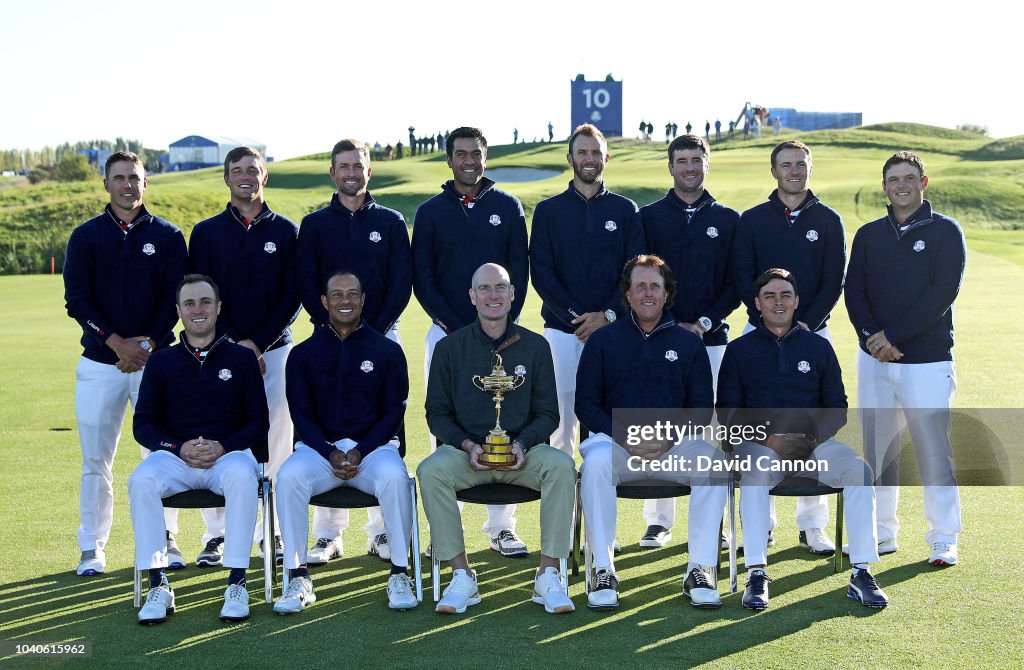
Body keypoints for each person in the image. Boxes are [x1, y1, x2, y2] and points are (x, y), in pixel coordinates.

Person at [718, 268, 889, 610]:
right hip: (760, 447)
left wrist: (809, 438)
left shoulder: (818, 348)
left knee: (859, 470)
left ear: (797, 302)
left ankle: (862, 571)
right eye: (769, 296)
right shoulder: (738, 350)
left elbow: (836, 407)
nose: (778, 302)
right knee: (753, 475)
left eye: (785, 296)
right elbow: (727, 412)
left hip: (814, 445)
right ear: (757, 303)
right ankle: (756, 572)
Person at [417, 263, 575, 615]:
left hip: (523, 455)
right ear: (472, 296)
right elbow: (436, 414)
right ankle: (461, 575)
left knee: (562, 465)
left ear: (512, 294)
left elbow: (548, 413)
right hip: (467, 456)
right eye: (485, 289)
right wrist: (468, 446)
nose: (493, 295)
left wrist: (522, 444)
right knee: (430, 471)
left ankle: (548, 574)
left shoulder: (535, 346)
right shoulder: (449, 348)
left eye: (500, 287)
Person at [576, 255, 728, 610]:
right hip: (617, 446)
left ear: (666, 293)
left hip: (671, 448)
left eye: (655, 286)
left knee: (714, 464)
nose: (648, 293)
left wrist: (668, 437)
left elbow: (703, 407)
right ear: (627, 294)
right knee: (595, 463)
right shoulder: (603, 341)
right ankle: (602, 569)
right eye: (640, 286)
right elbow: (585, 404)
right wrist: (625, 435)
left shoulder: (688, 343)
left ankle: (700, 569)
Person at [63, 151, 188, 577]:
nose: (127, 185)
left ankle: (166, 540)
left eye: (134, 178)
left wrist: (147, 344)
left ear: (145, 183)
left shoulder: (169, 236)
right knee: (97, 460)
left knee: (160, 456)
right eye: (119, 178)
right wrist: (116, 343)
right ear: (107, 184)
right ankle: (92, 547)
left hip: (155, 363)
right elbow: (77, 301)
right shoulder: (85, 236)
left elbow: (176, 301)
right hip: (101, 364)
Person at [411, 127, 530, 557]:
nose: (469, 161)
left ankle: (501, 527)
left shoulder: (506, 206)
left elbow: (519, 272)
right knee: (443, 424)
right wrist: (457, 326)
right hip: (445, 334)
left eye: (476, 154)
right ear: (449, 160)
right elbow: (421, 277)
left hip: (502, 333)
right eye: (461, 154)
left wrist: (496, 324)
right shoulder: (430, 211)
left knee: (503, 416)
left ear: (485, 157)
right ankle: (445, 530)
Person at [845, 151, 965, 567]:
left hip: (927, 361)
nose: (902, 185)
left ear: (923, 182)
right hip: (874, 361)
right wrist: (871, 340)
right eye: (894, 178)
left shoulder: (946, 231)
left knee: (934, 451)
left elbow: (941, 294)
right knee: (880, 452)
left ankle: (943, 538)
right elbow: (854, 292)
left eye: (909, 178)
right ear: (884, 185)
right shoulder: (868, 234)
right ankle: (881, 534)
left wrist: (892, 337)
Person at [296, 139, 412, 567]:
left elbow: (402, 283)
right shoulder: (314, 225)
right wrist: (336, 329)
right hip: (326, 343)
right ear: (332, 172)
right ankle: (328, 534)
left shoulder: (392, 221)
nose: (351, 173)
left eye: (358, 166)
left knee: (385, 433)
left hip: (382, 339)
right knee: (327, 430)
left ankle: (382, 531)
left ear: (369, 170)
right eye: (343, 166)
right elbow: (307, 283)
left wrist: (371, 334)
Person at [273, 271, 416, 614]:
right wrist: (331, 452)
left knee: (396, 478)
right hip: (319, 452)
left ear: (363, 299)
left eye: (353, 294)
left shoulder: (387, 350)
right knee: (288, 476)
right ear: (324, 302)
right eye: (337, 295)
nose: (345, 301)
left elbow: (393, 413)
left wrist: (359, 450)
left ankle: (399, 572)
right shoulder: (303, 354)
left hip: (373, 450)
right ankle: (297, 576)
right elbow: (301, 416)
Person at [129, 274, 269, 624]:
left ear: (219, 307)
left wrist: (223, 446)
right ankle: (158, 583)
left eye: (205, 302)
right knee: (141, 479)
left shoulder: (241, 359)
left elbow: (258, 423)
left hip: (227, 457)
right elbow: (143, 424)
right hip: (176, 458)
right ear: (178, 311)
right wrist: (178, 447)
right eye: (189, 303)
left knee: (241, 474)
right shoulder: (162, 361)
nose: (198, 310)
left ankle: (237, 581)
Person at [189, 146, 300, 568]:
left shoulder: (286, 231)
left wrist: (257, 343)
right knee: (219, 437)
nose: (245, 176)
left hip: (274, 352)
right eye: (237, 170)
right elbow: (200, 294)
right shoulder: (206, 232)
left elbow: (294, 294)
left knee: (276, 445)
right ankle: (217, 534)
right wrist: (234, 345)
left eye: (253, 169)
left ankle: (270, 533)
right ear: (226, 178)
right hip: (219, 354)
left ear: (264, 176)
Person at [733, 140, 846, 555]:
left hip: (814, 335)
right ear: (774, 171)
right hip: (758, 337)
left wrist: (802, 325)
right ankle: (759, 526)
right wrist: (771, 321)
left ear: (809, 168)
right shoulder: (753, 220)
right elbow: (743, 275)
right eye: (786, 165)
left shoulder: (830, 220)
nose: (794, 171)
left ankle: (813, 524)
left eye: (800, 164)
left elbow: (834, 280)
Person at [639, 135, 740, 547]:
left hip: (711, 339)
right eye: (682, 161)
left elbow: (737, 282)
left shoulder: (729, 219)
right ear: (671, 167)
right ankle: (659, 518)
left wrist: (701, 322)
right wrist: (665, 323)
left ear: (707, 164)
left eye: (697, 160)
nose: (690, 167)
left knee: (709, 434)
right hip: (656, 341)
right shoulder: (649, 217)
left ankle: (711, 523)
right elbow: (639, 281)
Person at [529, 123, 643, 460]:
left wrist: (607, 316)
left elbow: (633, 273)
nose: (589, 158)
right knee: (560, 429)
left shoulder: (626, 210)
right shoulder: (549, 211)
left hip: (614, 332)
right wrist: (578, 319)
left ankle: (597, 511)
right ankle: (567, 512)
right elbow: (543, 274)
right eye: (582, 152)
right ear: (570, 157)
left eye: (595, 152)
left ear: (606, 157)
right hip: (562, 334)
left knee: (607, 433)